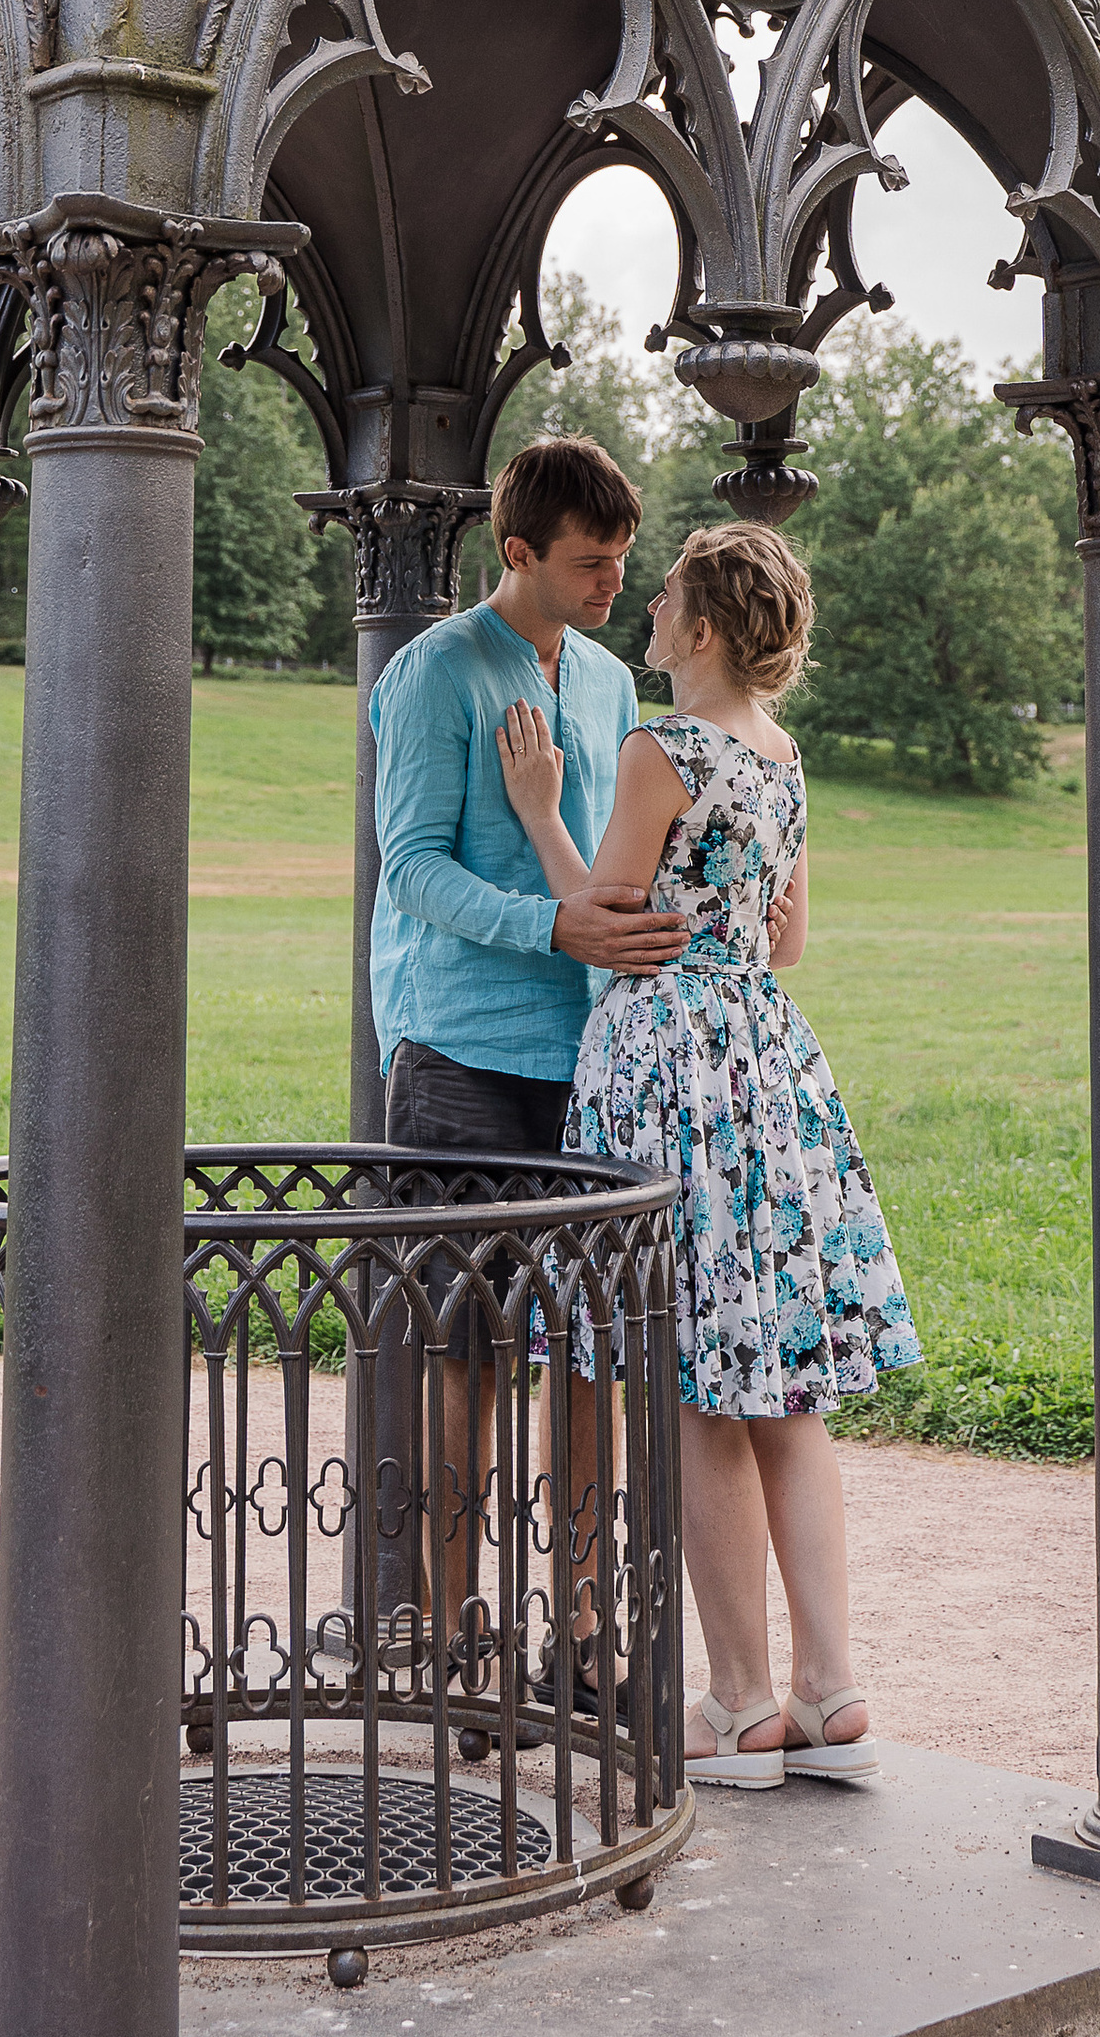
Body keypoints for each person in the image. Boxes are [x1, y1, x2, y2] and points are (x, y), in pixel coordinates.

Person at [495, 520, 920, 1787]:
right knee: (782, 1390)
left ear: (705, 627)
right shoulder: (781, 760)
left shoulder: (659, 746)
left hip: (666, 1060)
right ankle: (828, 1689)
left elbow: (602, 916)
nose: (648, 605)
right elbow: (784, 946)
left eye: (667, 591)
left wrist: (536, 814)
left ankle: (737, 1708)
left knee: (692, 1393)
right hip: (768, 1058)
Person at [368, 434, 685, 1663]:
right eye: (590, 562)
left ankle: (586, 1627)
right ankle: (451, 1631)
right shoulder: (436, 672)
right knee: (469, 1351)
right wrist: (551, 923)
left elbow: (621, 856)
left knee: (591, 1354)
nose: (614, 580)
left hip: (599, 1061)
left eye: (620, 559)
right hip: (460, 1057)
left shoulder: (608, 682)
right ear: (517, 554)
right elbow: (411, 870)